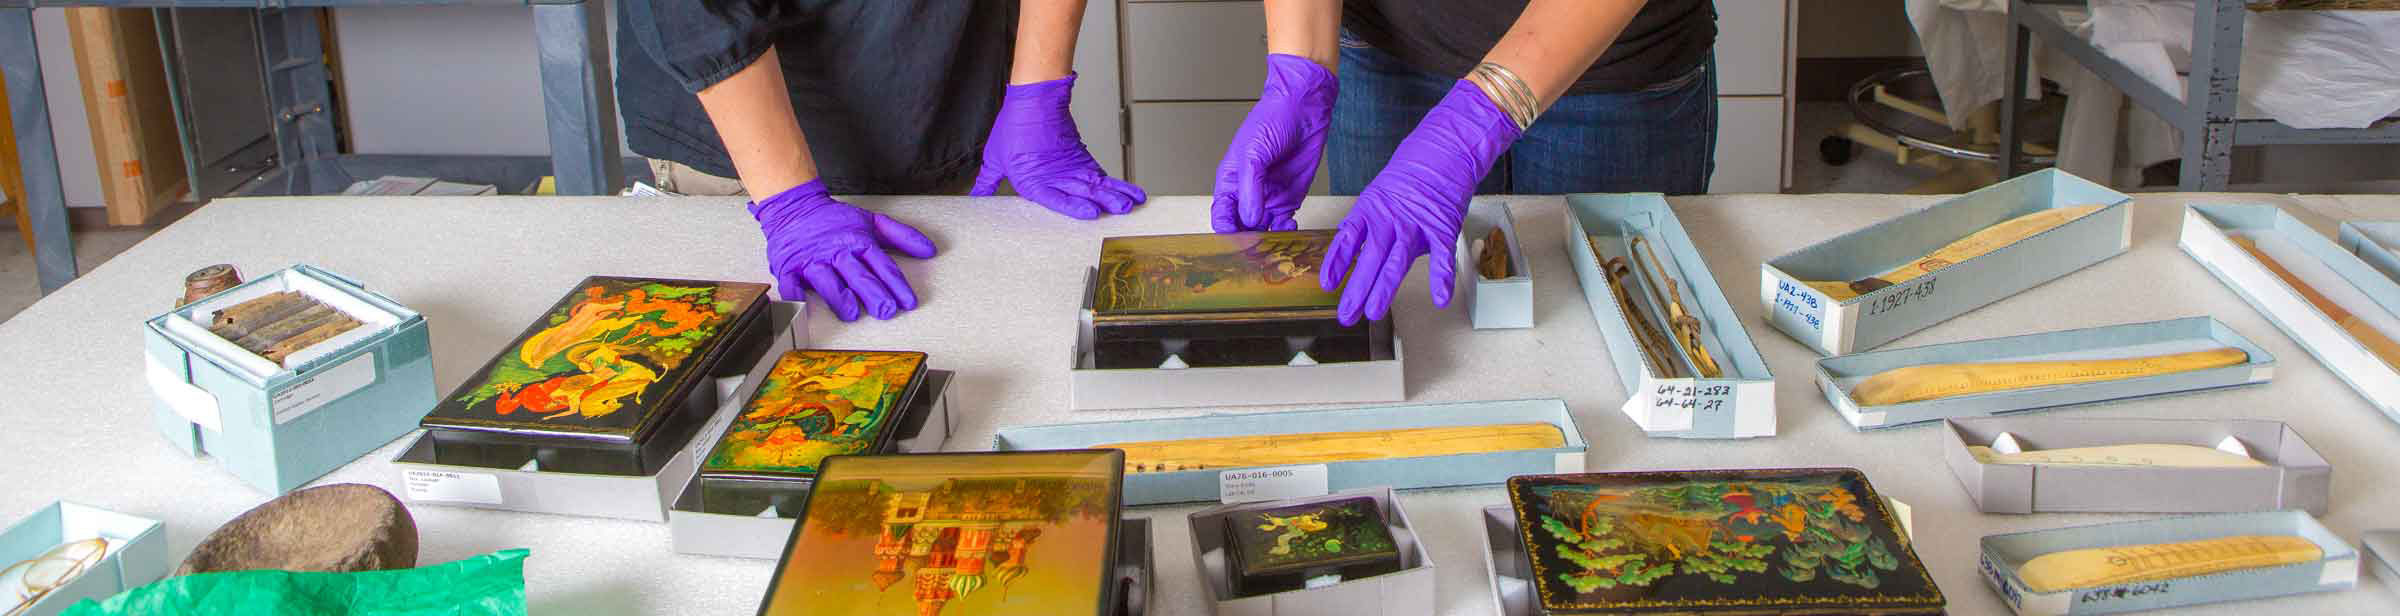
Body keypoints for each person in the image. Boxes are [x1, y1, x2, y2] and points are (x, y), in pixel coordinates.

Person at [618, 0, 1145, 322]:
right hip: (750, 162)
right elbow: (691, 12)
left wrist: (1038, 92)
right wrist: (790, 203)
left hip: (956, 124)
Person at [1210, 1, 1717, 325]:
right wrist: (1301, 70)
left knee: (1614, 327)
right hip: (1391, 55)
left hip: (1614, 66)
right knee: (1403, 322)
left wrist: (1474, 120)